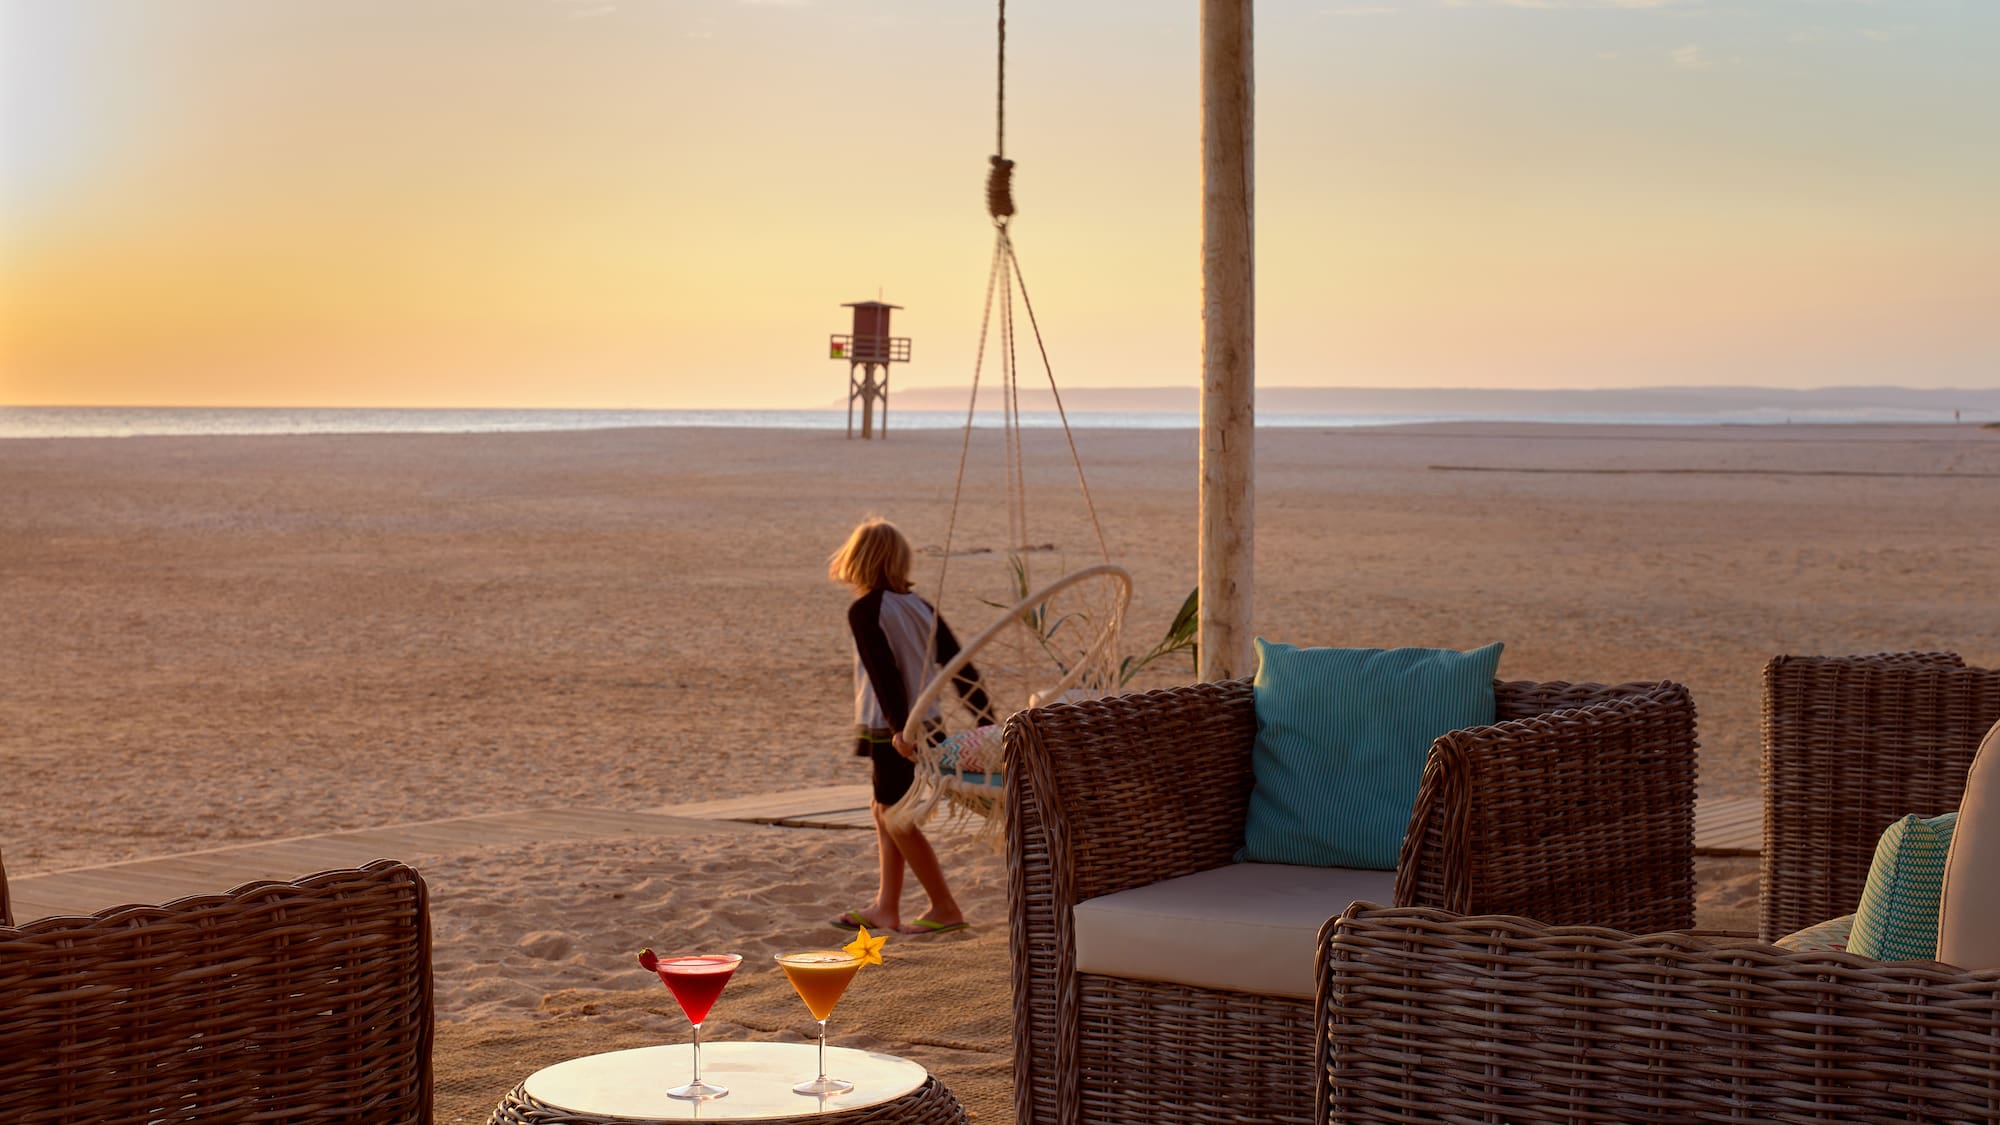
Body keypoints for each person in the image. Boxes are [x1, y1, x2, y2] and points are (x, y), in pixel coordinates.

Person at [827, 517, 993, 935]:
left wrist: (901, 729)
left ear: (856, 560)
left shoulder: (865, 610)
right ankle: (887, 906)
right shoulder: (921, 607)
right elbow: (961, 667)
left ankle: (944, 906)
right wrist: (988, 722)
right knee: (883, 810)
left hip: (896, 730)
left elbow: (883, 672)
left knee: (894, 815)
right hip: (927, 722)